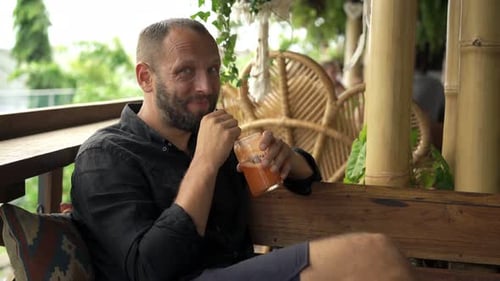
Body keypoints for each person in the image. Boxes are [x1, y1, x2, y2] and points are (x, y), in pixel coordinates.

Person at [70, 18, 417, 281]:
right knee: (374, 255)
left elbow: (305, 181)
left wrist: (292, 162)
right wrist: (205, 163)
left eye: (213, 70)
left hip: (240, 269)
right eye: (185, 72)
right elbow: (149, 270)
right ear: (145, 77)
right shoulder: (105, 157)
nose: (206, 87)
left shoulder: (208, 140)